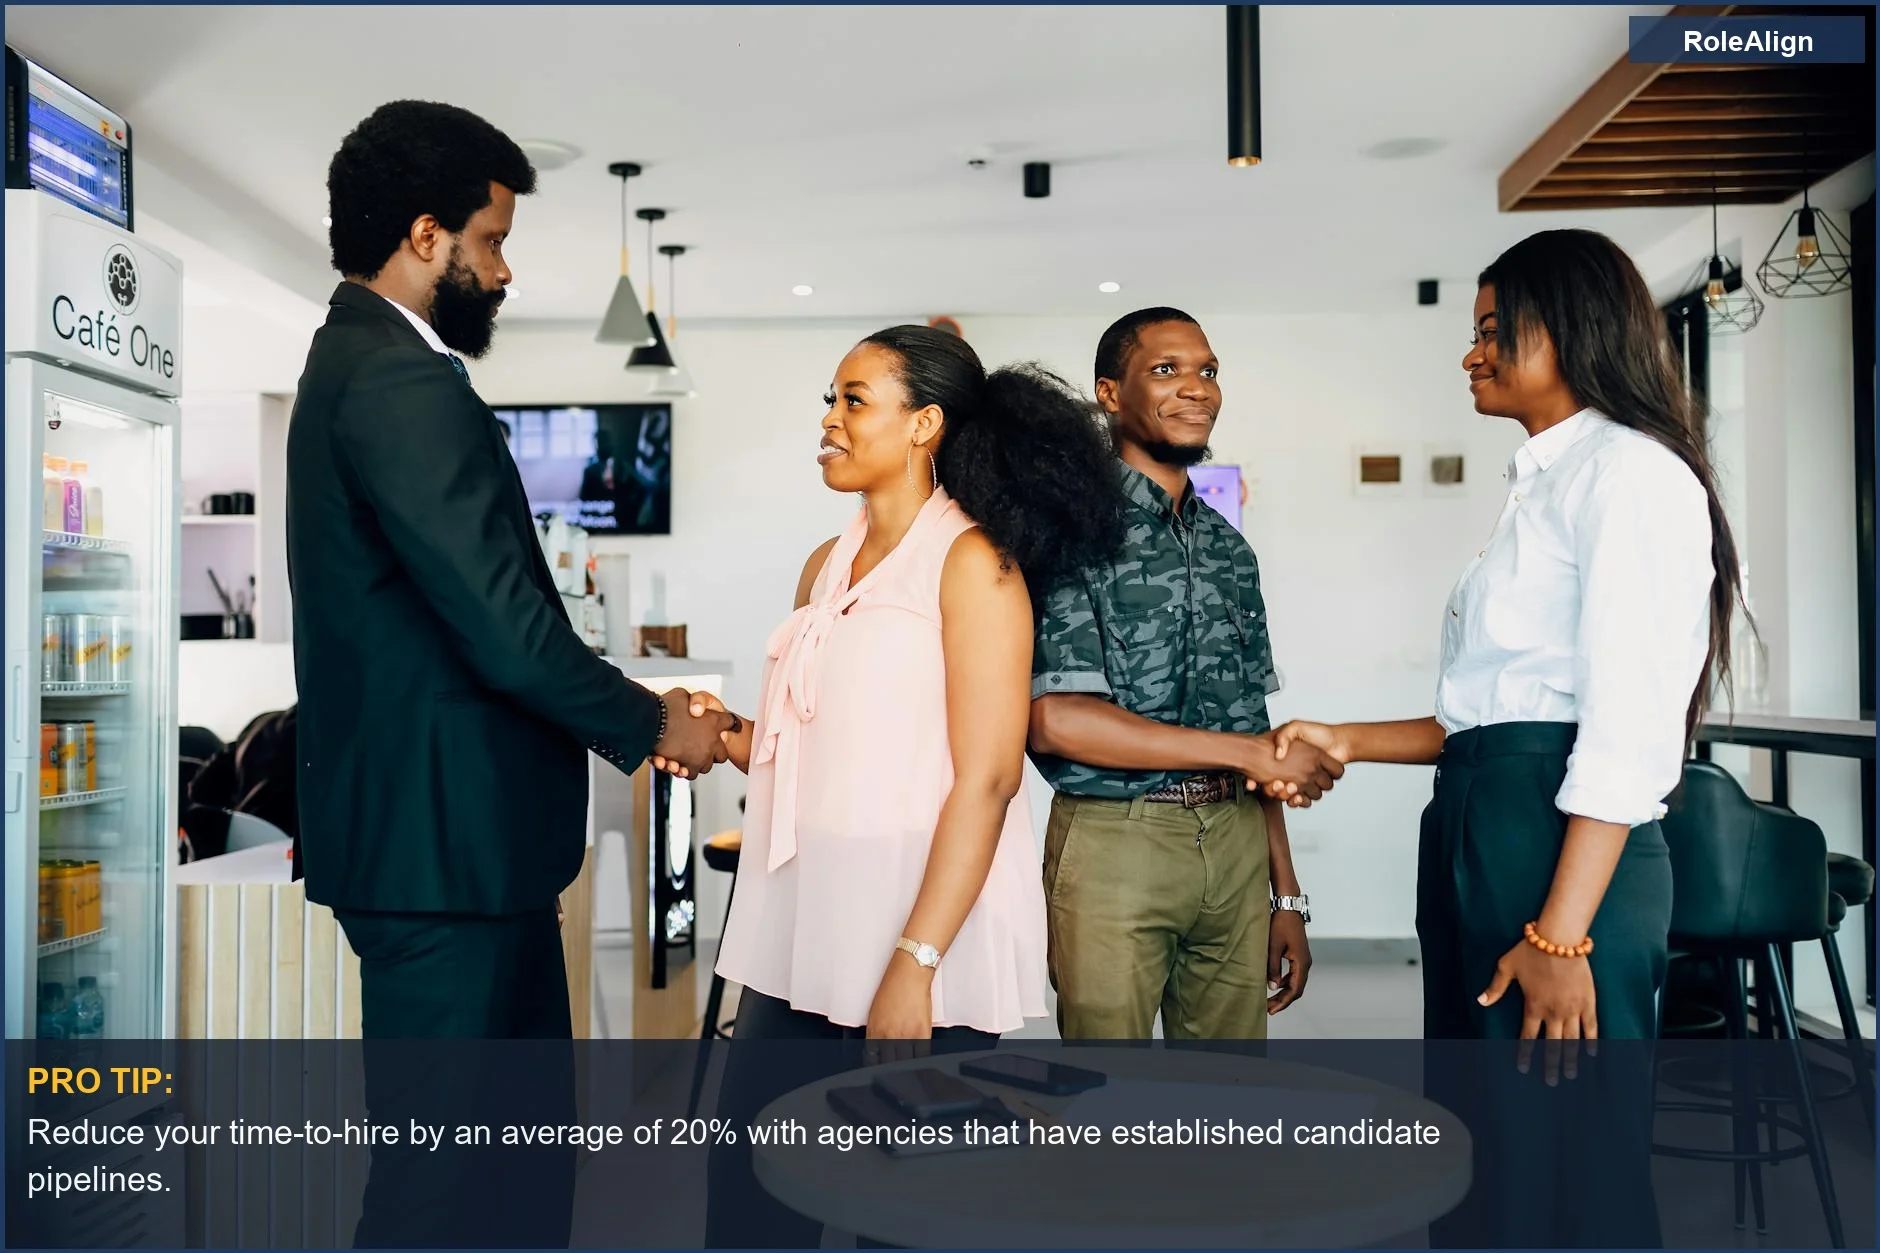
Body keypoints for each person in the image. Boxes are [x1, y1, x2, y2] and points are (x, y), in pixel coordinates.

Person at [285, 100, 730, 1246]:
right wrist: (651, 724)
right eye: (490, 241)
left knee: (513, 1171)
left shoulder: (370, 363)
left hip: (462, 855)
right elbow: (504, 629)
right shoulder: (396, 380)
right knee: (445, 1188)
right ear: (425, 235)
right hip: (442, 859)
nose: (503, 268)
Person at [1272, 228, 1740, 1247]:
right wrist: (1344, 736)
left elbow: (1620, 729)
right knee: (1485, 1137)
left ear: (1567, 333)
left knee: (1566, 1146)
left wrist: (1560, 932)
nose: (1469, 352)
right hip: (1489, 822)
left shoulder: (1627, 475)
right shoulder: (1543, 484)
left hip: (1556, 847)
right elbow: (1483, 715)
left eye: (1492, 330)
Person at [662, 324, 1128, 1248]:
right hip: (800, 924)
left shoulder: (973, 563)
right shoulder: (823, 565)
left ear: (925, 424)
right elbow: (813, 745)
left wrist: (916, 963)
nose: (829, 422)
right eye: (828, 402)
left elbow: (989, 778)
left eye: (852, 400)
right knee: (750, 1192)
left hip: (920, 935)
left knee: (906, 1212)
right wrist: (719, 736)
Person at [1024, 307, 1341, 1041]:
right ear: (1109, 393)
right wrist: (1245, 754)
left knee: (1226, 1099)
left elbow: (1252, 726)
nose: (1196, 387)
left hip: (1234, 838)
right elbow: (1057, 717)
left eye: (1208, 370)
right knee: (1110, 1100)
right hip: (1115, 841)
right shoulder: (1067, 530)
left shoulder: (1230, 549)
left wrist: (1283, 895)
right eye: (1166, 370)